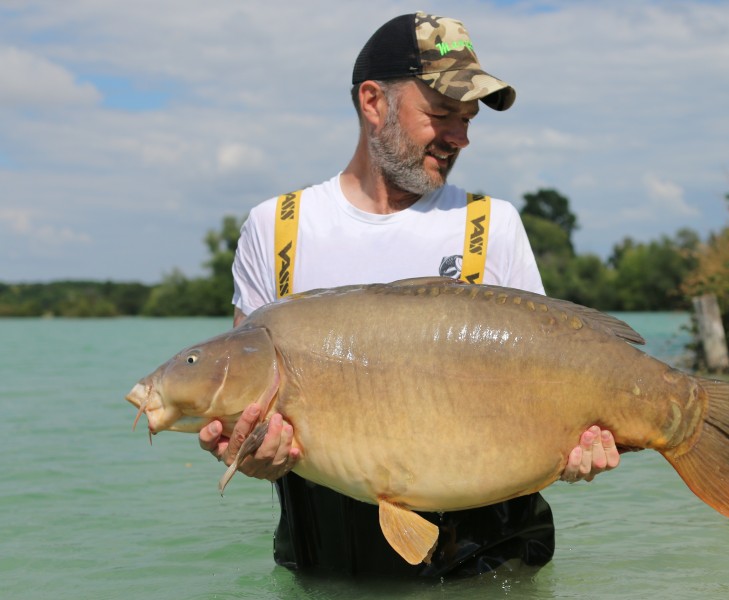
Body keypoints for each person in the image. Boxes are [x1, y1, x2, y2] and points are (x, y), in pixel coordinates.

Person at [199, 12, 620, 578]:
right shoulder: (278, 228)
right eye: (441, 115)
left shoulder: (492, 226)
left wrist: (573, 451)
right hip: (329, 563)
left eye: (467, 119)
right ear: (373, 102)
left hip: (491, 563)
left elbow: (548, 386)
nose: (460, 138)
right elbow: (243, 407)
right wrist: (251, 454)